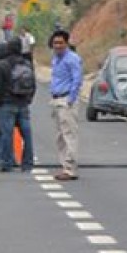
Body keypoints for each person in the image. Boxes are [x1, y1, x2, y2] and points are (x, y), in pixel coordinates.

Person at [0, 37, 35, 172]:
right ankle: (27, 162)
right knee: (27, 134)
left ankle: (6, 162)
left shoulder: (3, 64)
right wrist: (28, 99)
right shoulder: (27, 63)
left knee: (7, 134)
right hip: (23, 103)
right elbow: (33, 84)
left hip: (7, 103)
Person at [49, 29, 83, 181]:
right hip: (56, 99)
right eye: (55, 43)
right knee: (60, 136)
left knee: (69, 134)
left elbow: (77, 80)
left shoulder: (72, 58)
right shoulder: (55, 59)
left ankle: (70, 168)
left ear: (66, 43)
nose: (57, 46)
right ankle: (64, 166)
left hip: (66, 100)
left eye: (60, 43)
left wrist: (70, 99)